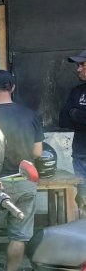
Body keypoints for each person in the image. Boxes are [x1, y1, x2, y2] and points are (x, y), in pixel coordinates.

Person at [0, 70, 43, 271]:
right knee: (19, 235)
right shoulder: (30, 115)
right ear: (12, 88)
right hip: (23, 181)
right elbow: (37, 152)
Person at [60, 50, 86, 215]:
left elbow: (72, 114)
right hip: (81, 154)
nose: (78, 69)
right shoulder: (76, 91)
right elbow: (63, 119)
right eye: (77, 65)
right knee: (83, 199)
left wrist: (76, 113)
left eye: (82, 64)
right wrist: (75, 114)